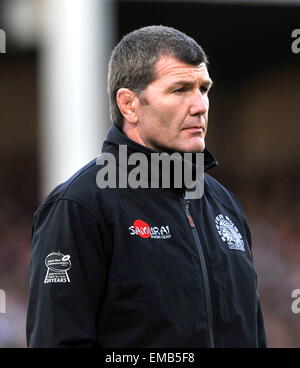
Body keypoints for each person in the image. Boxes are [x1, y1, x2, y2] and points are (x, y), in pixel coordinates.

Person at [26, 25, 267, 348]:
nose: (200, 106)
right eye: (180, 89)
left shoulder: (224, 205)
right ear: (129, 104)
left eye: (203, 88)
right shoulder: (81, 205)